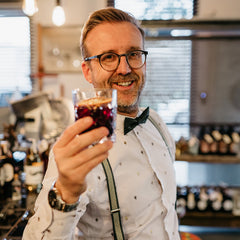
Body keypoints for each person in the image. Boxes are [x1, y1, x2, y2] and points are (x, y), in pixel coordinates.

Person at [23, 7, 180, 240]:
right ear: (88, 71)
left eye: (134, 53)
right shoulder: (77, 150)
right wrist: (65, 193)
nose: (125, 68)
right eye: (108, 57)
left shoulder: (157, 123)